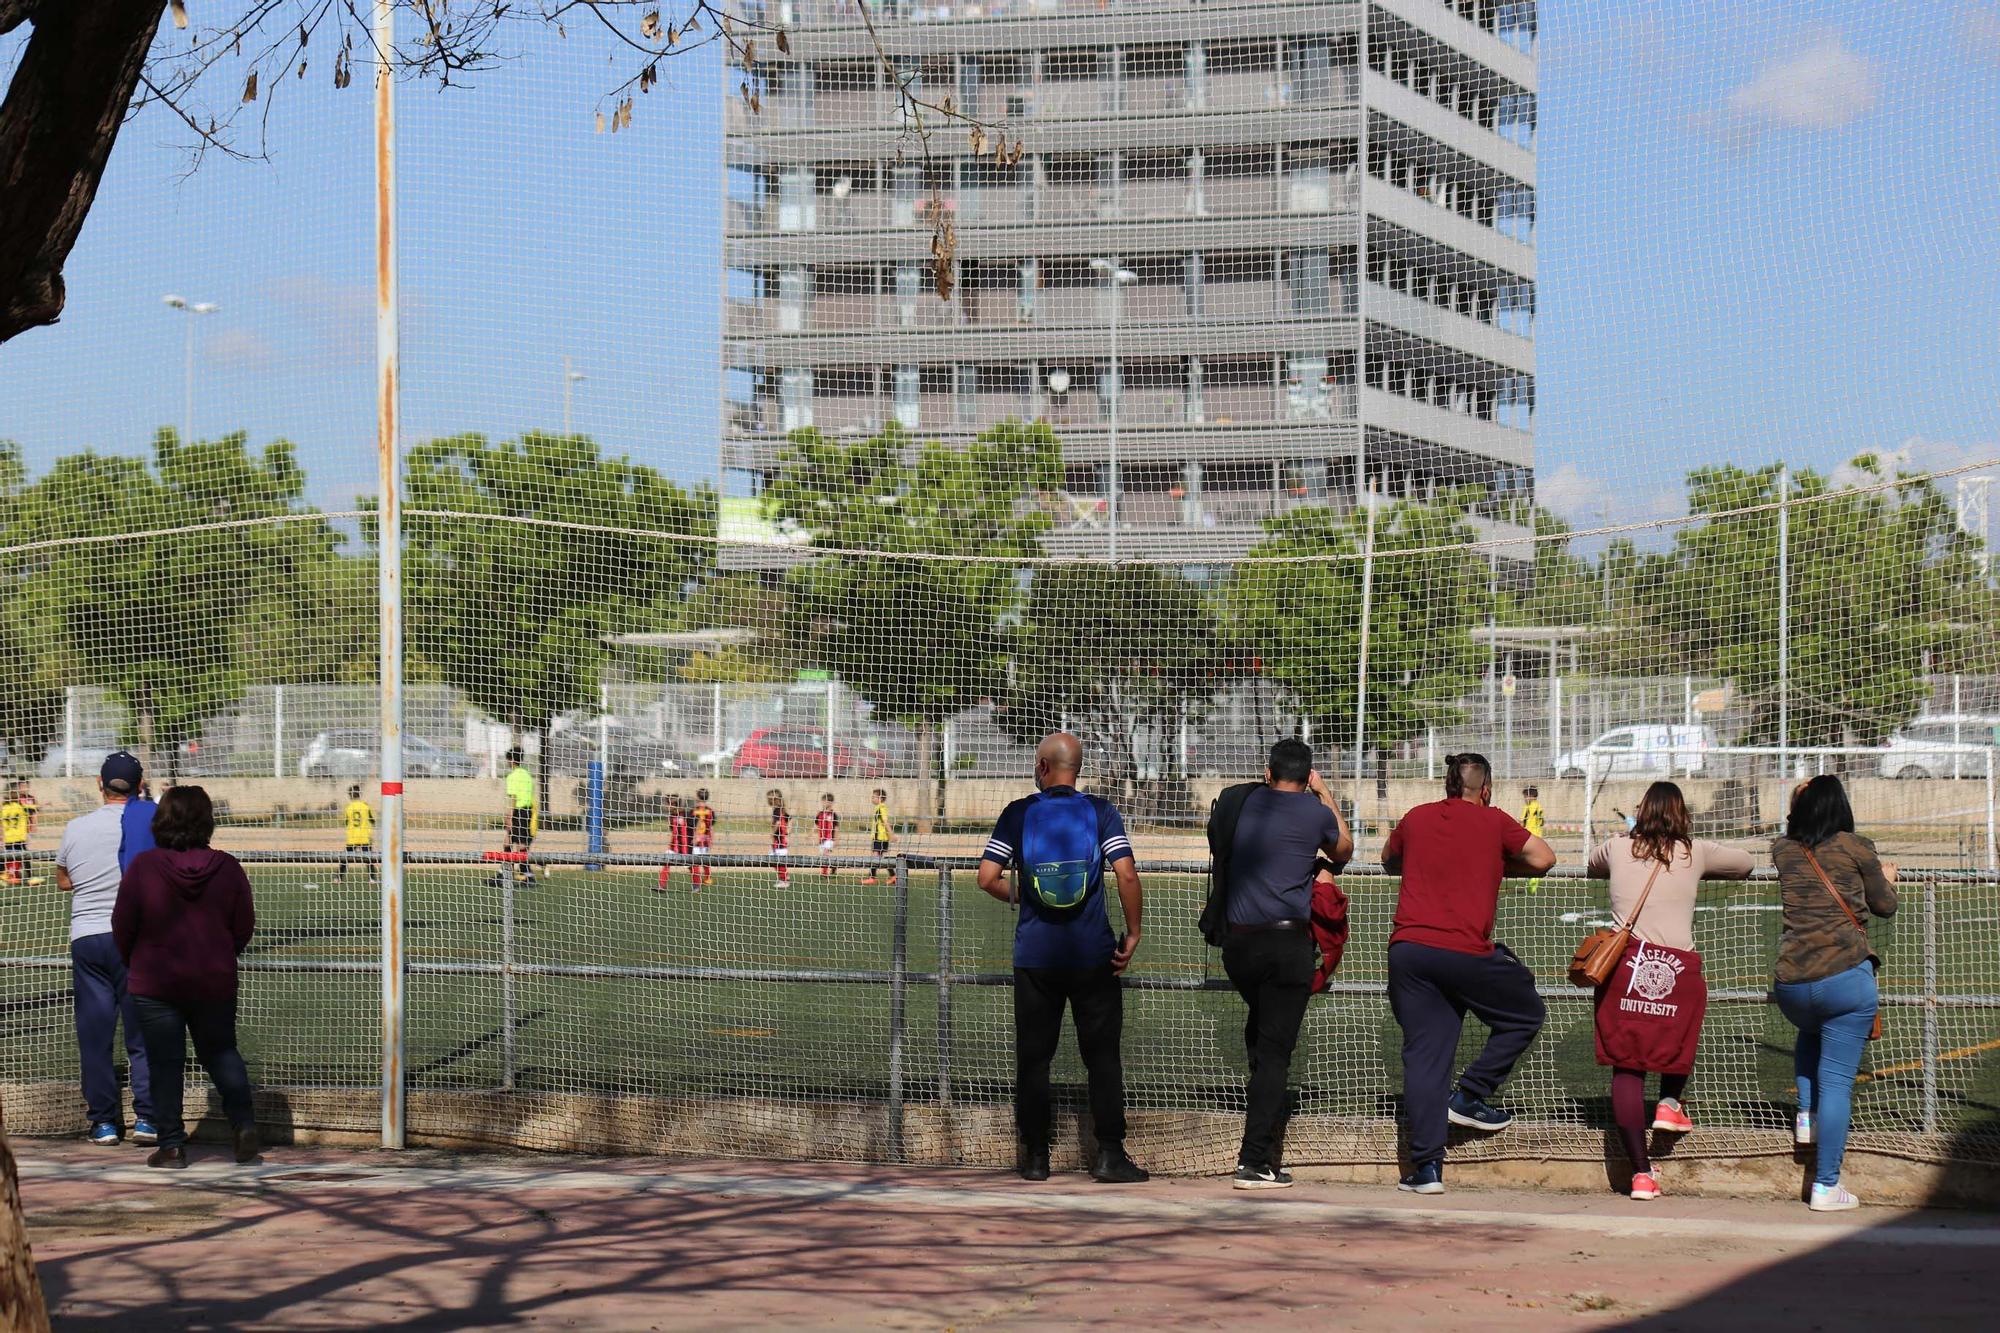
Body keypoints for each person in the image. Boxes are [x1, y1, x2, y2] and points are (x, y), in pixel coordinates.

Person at [977, 732, 1147, 1185]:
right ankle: (1110, 1155)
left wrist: (1026, 897)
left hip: (1035, 956)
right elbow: (1126, 874)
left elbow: (986, 877)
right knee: (1103, 1058)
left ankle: (1035, 1157)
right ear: (1078, 768)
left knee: (1035, 1058)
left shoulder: (1019, 812)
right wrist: (1132, 932)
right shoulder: (1099, 811)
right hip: (1094, 954)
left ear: (1041, 767)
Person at [1383, 752, 1556, 1195]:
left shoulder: (1416, 817)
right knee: (1525, 1013)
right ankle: (1470, 1095)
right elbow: (1544, 859)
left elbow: (1388, 859)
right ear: (1487, 788)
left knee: (1424, 1058)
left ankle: (1426, 1171)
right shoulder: (1496, 821)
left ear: (1446, 785)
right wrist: (1497, 862)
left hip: (1410, 952)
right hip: (1464, 951)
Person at [1586, 781, 1754, 1200]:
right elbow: (1746, 863)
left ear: (1641, 811)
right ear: (1681, 813)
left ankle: (1641, 1173)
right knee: (1678, 1040)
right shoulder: (1694, 851)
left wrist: (1629, 841)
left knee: (1627, 1066)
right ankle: (1669, 1103)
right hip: (1677, 968)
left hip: (1627, 965)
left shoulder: (1616, 847)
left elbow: (1592, 864)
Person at [1210, 737, 1352, 1190]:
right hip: (1287, 944)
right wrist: (1326, 796)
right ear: (1307, 776)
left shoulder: (1244, 802)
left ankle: (1259, 1133)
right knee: (1275, 1055)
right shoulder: (1314, 812)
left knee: (1261, 1031)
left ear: (1268, 772)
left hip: (1239, 945)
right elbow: (1344, 849)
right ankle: (1254, 1161)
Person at [112, 785, 258, 1169]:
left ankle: (173, 1145)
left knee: (164, 1063)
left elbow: (123, 926)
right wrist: (220, 954)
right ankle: (243, 1127)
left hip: (156, 981)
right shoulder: (227, 867)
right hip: (212, 978)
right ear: (207, 822)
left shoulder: (144, 867)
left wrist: (138, 960)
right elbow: (244, 925)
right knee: (222, 1052)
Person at [1771, 774, 1897, 1212]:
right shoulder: (1857, 846)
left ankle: (1806, 1116)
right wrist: (1886, 877)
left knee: (1810, 1031)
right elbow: (1885, 906)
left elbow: (1793, 828)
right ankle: (1826, 1185)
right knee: (1838, 1083)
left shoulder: (1783, 850)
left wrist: (1798, 798)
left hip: (1792, 983)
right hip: (1844, 978)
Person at [55, 752, 157, 1147]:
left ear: (100, 784)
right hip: (134, 939)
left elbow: (64, 880)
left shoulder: (76, 827)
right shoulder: (148, 824)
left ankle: (103, 1123)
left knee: (95, 1036)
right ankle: (147, 1117)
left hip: (88, 938)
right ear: (140, 784)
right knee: (141, 1033)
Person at [502, 747, 536, 886]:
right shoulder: (527, 774)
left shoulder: (512, 776)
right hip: (528, 811)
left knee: (517, 844)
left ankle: (526, 875)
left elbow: (514, 798)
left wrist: (510, 816)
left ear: (510, 760)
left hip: (519, 811)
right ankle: (509, 872)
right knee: (510, 842)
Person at [340, 784, 375, 885]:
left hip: (352, 838)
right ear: (359, 793)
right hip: (364, 837)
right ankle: (372, 879)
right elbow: (372, 820)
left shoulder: (348, 807)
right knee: (368, 859)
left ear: (350, 795)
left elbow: (345, 822)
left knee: (345, 858)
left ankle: (338, 878)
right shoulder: (365, 806)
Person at [659, 794, 691, 892]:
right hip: (673, 845)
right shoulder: (671, 815)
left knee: (692, 865)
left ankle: (696, 885)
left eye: (669, 804)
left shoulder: (684, 814)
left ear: (673, 804)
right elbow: (672, 828)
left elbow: (690, 828)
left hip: (684, 846)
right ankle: (662, 886)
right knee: (666, 863)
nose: (667, 806)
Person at [2, 782, 30, 887]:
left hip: (8, 838)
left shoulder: (3, 808)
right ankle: (28, 877)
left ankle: (7, 876)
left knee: (7, 857)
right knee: (25, 857)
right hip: (19, 837)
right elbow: (33, 808)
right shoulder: (20, 807)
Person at [864, 788, 892, 886]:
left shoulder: (881, 808)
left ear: (880, 798)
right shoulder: (878, 808)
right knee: (879, 858)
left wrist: (891, 834)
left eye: (874, 797)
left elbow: (885, 822)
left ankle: (872, 878)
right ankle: (893, 876)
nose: (872, 799)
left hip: (880, 838)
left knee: (875, 857)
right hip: (879, 838)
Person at [689, 789, 716, 889]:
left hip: (696, 840)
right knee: (705, 860)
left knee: (694, 862)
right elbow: (711, 827)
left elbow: (692, 826)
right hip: (706, 840)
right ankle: (708, 879)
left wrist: (694, 837)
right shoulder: (710, 811)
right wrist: (711, 839)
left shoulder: (693, 810)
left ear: (697, 797)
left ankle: (696, 885)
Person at [768, 788, 791, 889]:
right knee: (774, 859)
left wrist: (772, 833)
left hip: (779, 840)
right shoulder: (781, 809)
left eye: (771, 798)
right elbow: (790, 819)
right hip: (781, 839)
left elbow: (777, 823)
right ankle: (784, 877)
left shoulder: (777, 810)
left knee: (775, 860)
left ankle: (784, 880)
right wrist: (789, 830)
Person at [816, 792, 839, 880]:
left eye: (826, 801)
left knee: (825, 854)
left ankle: (824, 873)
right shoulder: (820, 814)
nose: (824, 803)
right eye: (823, 801)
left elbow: (836, 828)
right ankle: (834, 865)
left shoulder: (834, 815)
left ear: (831, 803)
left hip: (830, 839)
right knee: (823, 855)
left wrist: (837, 839)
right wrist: (809, 834)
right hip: (821, 839)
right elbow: (816, 824)